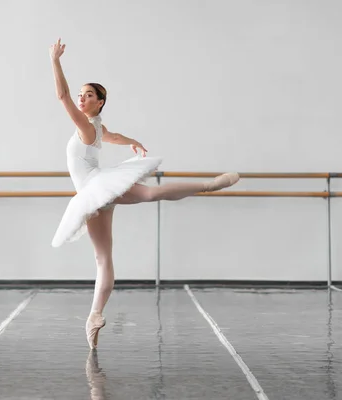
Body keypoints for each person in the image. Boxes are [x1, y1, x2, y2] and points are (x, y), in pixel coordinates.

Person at [49, 38, 239, 349]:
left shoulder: (85, 127)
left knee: (148, 199)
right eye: (81, 95)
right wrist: (133, 141)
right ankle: (95, 316)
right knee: (104, 257)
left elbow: (61, 95)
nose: (81, 99)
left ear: (99, 103)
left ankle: (209, 185)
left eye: (88, 96)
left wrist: (54, 61)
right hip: (96, 194)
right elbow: (113, 136)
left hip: (95, 188)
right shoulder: (95, 128)